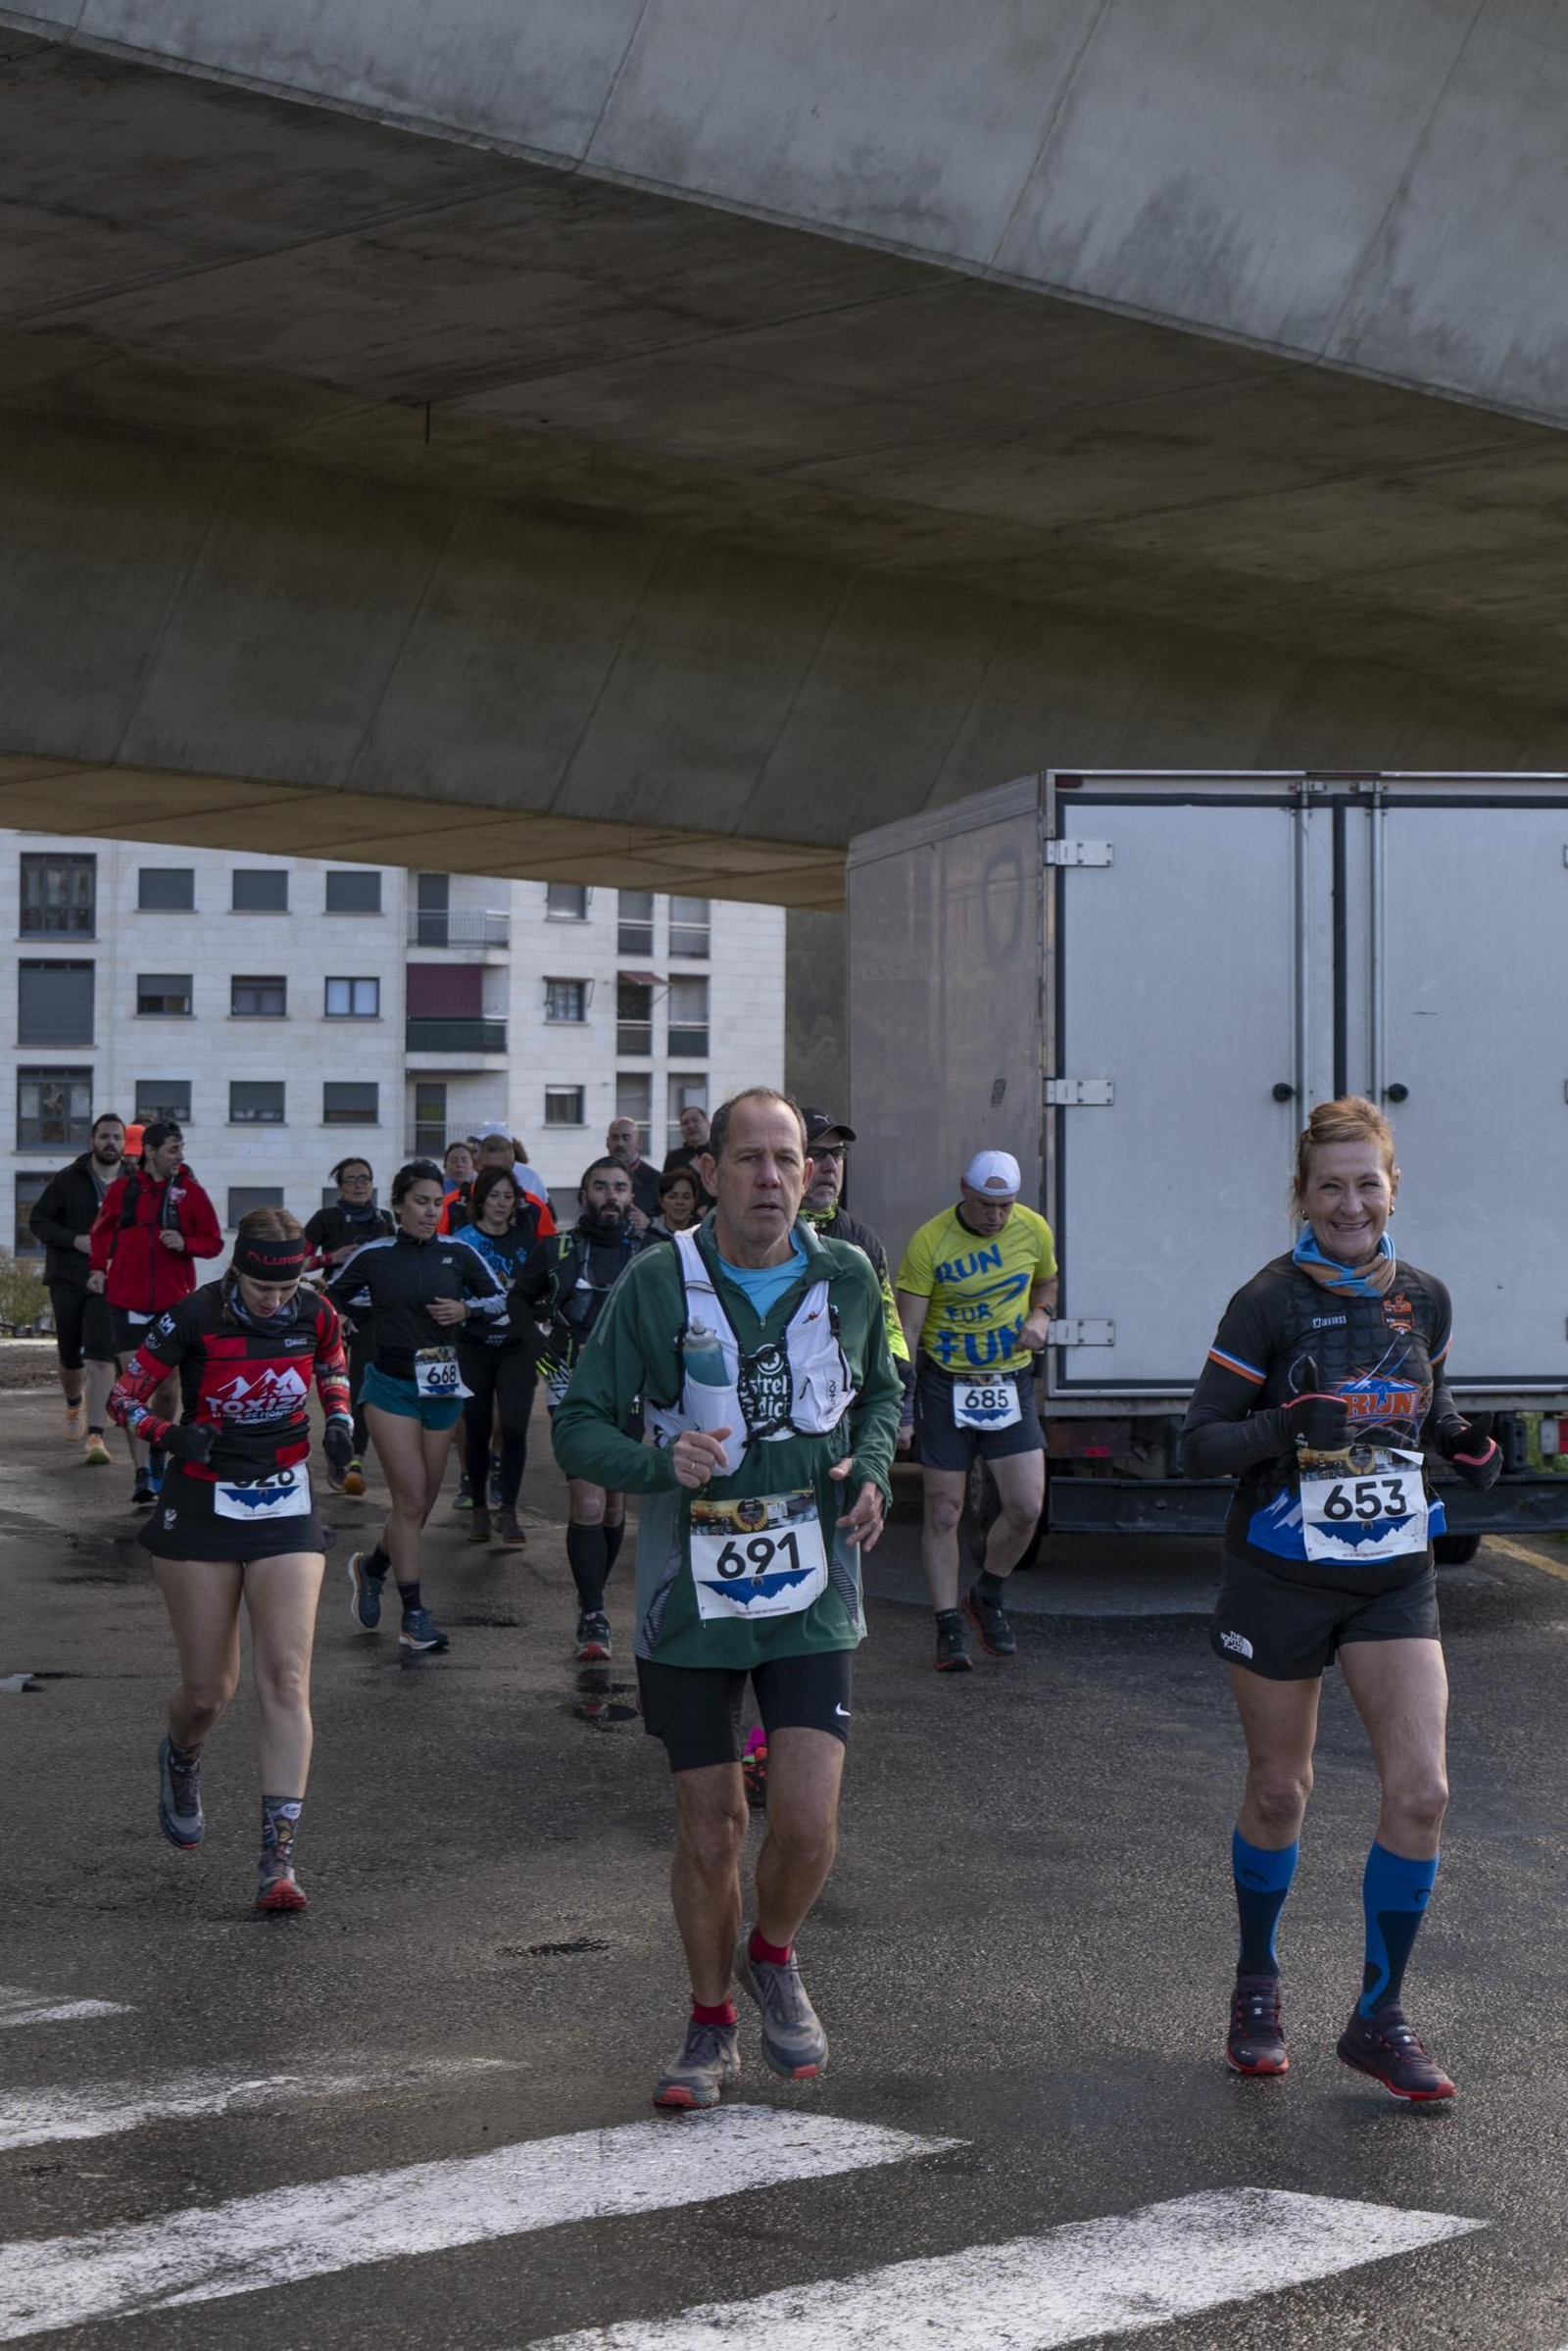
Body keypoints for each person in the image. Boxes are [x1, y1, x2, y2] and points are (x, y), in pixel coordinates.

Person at [554, 1088, 901, 2111]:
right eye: (745, 1158)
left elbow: (882, 1388)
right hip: (688, 1597)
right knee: (708, 1827)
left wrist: (872, 1465)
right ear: (709, 1172)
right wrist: (659, 1459)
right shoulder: (662, 1281)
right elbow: (578, 1423)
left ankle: (772, 1949)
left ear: (808, 1171)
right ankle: (709, 2022)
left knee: (802, 1818)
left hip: (813, 1582)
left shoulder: (846, 1274)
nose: (767, 1178)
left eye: (784, 1159)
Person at [1181, 1096, 1498, 2103]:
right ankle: (1256, 1976)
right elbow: (1201, 1441)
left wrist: (1463, 1443)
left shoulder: (1427, 1298)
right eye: (1331, 1184)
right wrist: (1288, 1421)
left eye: (1368, 1182)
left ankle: (1378, 2013)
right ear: (1303, 1194)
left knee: (1423, 1790)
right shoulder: (1265, 1301)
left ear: (1392, 1187)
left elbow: (1427, 1402)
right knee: (1281, 1790)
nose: (1350, 1201)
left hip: (1392, 1575)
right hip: (1278, 1572)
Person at [106, 1206, 353, 1913]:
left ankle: (278, 1856)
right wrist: (168, 1433)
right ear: (236, 1270)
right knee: (211, 1689)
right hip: (203, 1500)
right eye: (260, 1289)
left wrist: (337, 1418)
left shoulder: (315, 1309)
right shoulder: (194, 1314)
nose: (275, 1302)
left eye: (286, 1289)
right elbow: (125, 1394)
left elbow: (332, 1362)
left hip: (282, 1500)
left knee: (287, 1675)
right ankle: (181, 1754)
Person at [326, 1160, 510, 1652]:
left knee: (421, 1507)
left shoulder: (459, 1252)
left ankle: (372, 1569)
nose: (431, 1212)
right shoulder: (375, 1254)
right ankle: (413, 1616)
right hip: (389, 1386)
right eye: (421, 1202)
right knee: (408, 1502)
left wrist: (466, 1309)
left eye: (437, 1203)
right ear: (399, 1205)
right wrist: (342, 1320)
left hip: (442, 1384)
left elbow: (501, 1302)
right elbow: (329, 1298)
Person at [896, 1150, 1057, 1673]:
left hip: (1008, 1383)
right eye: (987, 1204)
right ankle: (947, 1624)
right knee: (945, 1510)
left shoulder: (1033, 1230)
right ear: (965, 1189)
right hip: (946, 1385)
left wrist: (1041, 1314)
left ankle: (987, 1594)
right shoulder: (930, 1242)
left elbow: (1047, 1281)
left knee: (1027, 1507)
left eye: (1005, 1206)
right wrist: (903, 1409)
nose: (996, 1216)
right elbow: (907, 1333)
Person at [515, 1157, 648, 1658]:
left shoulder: (648, 1253)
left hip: (630, 1389)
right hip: (572, 1387)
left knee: (614, 1505)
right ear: (584, 1194)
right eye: (600, 1186)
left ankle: (592, 1596)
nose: (610, 1196)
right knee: (589, 1502)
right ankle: (593, 1615)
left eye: (620, 1187)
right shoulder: (556, 1250)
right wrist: (541, 1352)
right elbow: (518, 1302)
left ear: (631, 1197)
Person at [87, 1122, 223, 1507]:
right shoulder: (123, 1190)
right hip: (126, 1302)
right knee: (136, 1389)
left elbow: (213, 1242)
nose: (180, 1155)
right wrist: (98, 1269)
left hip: (172, 1306)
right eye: (173, 1149)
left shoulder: (190, 1194)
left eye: (181, 1148)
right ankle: (142, 1472)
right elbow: (100, 1233)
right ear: (150, 1151)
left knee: (166, 1390)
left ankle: (160, 1444)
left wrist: (186, 1243)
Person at [449, 1164, 547, 1548]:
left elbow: (537, 1291)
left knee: (515, 1428)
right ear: (479, 1201)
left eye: (509, 1197)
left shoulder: (527, 1241)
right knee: (475, 1430)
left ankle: (508, 1508)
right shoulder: (461, 1241)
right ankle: (477, 1506)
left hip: (516, 1347)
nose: (502, 1204)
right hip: (473, 1345)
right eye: (494, 1196)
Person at [798, 1106, 913, 1424]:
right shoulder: (770, 1233)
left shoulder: (862, 1239)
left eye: (837, 1154)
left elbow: (888, 1325)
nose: (830, 1166)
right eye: (817, 1154)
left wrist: (901, 1390)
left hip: (848, 1407)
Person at [28, 1111, 126, 1461]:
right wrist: (74, 1240)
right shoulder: (68, 1180)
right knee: (71, 1356)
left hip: (111, 1281)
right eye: (104, 1137)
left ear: (124, 1144)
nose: (110, 1143)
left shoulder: (133, 1183)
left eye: (116, 1137)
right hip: (69, 1277)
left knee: (100, 1354)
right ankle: (74, 1403)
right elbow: (38, 1221)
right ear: (93, 1141)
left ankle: (95, 1436)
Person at [304, 1158, 393, 1496]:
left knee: (361, 1388)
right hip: (334, 1310)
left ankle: (352, 1458)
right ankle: (335, 1448)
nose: (359, 1185)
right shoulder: (326, 1219)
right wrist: (331, 1258)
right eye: (352, 1180)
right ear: (339, 1187)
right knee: (330, 1384)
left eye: (365, 1179)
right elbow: (295, 1260)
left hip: (372, 1316)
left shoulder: (384, 1220)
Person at [607, 1115, 662, 1227]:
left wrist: (650, 1223)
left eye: (626, 1138)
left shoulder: (658, 1181)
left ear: (638, 1142)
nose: (620, 1143)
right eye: (614, 1138)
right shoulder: (593, 1178)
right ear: (607, 1142)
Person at [662, 1103, 714, 1203]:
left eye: (695, 1120)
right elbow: (666, 1193)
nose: (690, 1126)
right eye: (685, 1123)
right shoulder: (673, 1158)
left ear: (708, 1124)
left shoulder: (718, 1153)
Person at [649, 1165, 703, 1241]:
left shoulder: (704, 1234)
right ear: (662, 1202)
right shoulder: (649, 1233)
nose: (680, 1202)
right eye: (673, 1196)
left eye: (686, 1197)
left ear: (694, 1201)